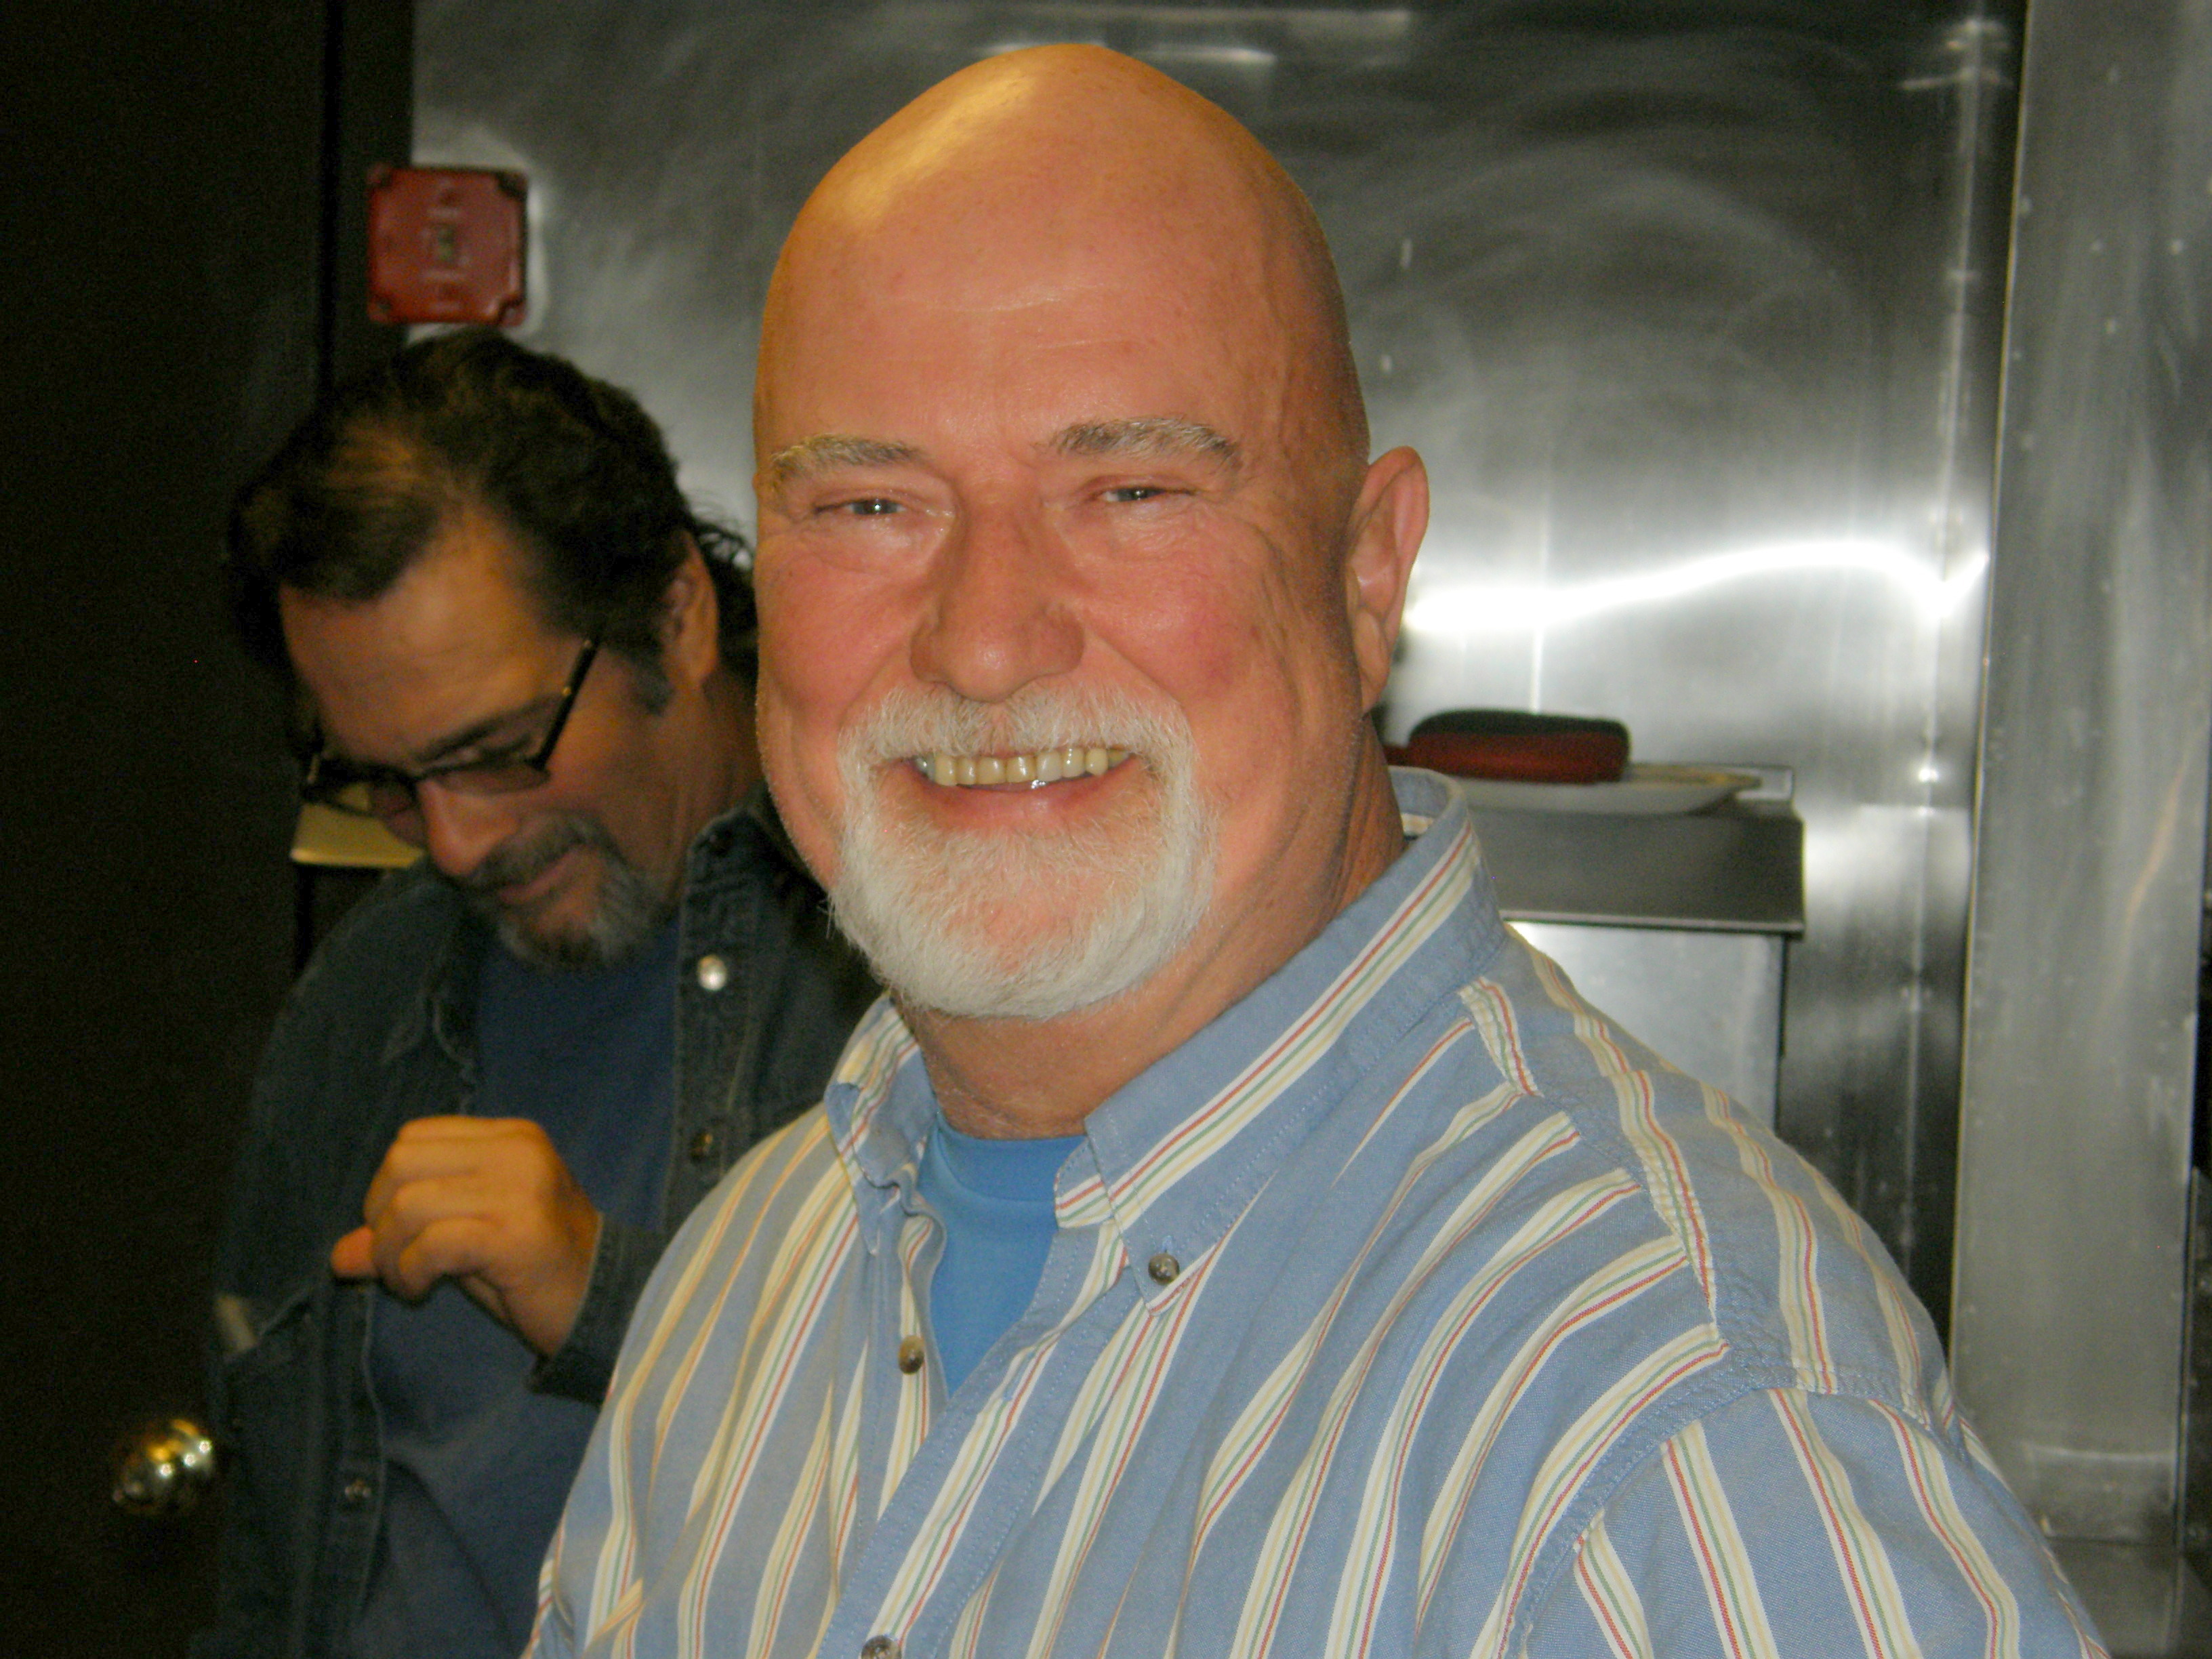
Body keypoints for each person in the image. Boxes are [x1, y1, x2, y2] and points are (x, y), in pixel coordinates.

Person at [534, 47, 2104, 1659]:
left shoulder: (1682, 1430)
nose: (985, 642)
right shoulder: (744, 1287)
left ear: (1367, 576)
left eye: (1130, 490)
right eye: (871, 507)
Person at [199, 330, 877, 1659]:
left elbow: (1031, 1479)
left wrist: (618, 1302)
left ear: (676, 617)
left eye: (500, 752)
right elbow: (276, 1556)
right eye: (384, 783)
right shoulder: (373, 994)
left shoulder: (912, 974)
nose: (455, 847)